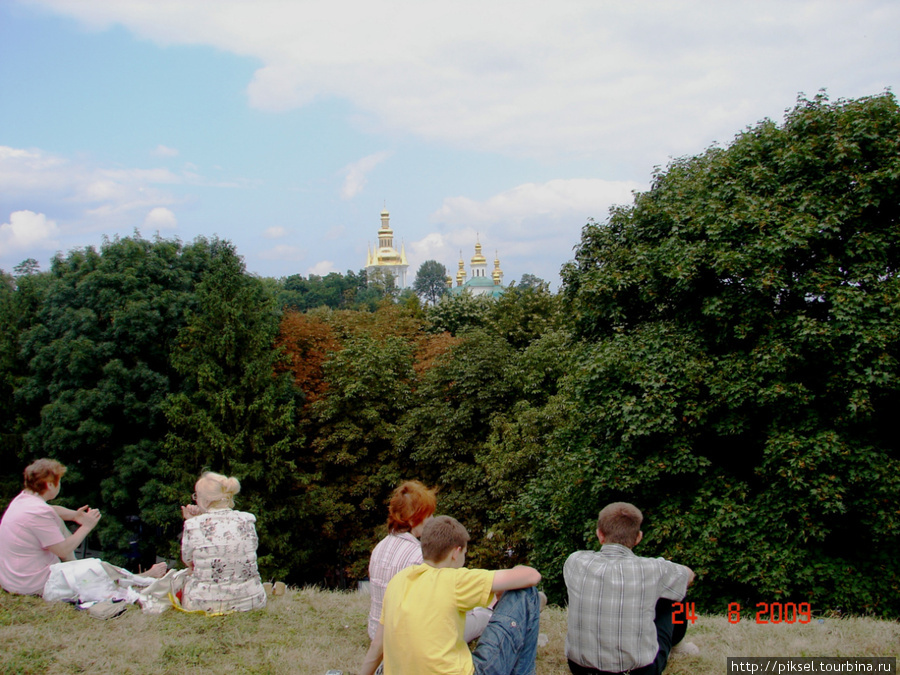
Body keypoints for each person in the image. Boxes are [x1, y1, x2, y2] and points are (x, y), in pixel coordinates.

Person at [360, 515, 542, 675]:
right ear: (456, 553)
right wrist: (515, 572)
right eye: (464, 553)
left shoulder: (398, 581)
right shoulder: (455, 579)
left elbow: (377, 645)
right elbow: (532, 576)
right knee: (527, 593)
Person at [0, 458, 166, 596]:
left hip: (14, 579)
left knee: (60, 525)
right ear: (50, 485)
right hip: (33, 583)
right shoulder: (38, 512)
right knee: (96, 567)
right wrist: (86, 526)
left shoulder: (23, 501)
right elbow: (62, 550)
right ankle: (142, 579)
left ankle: (134, 578)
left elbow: (53, 511)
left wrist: (74, 515)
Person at [564, 502, 695, 675]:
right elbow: (688, 575)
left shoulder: (575, 561)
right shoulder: (653, 569)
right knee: (676, 590)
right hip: (638, 671)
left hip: (580, 669)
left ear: (599, 535)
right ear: (638, 537)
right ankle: (677, 645)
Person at [367, 481, 493, 645]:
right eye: (428, 515)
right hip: (409, 638)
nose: (432, 520)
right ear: (412, 520)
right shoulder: (419, 556)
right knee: (483, 615)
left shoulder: (379, 547)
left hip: (376, 632)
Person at [179, 471, 266, 613]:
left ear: (206, 500)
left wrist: (191, 520)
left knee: (184, 575)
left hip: (204, 604)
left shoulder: (193, 525)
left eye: (197, 496)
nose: (195, 500)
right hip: (252, 601)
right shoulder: (247, 520)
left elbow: (189, 561)